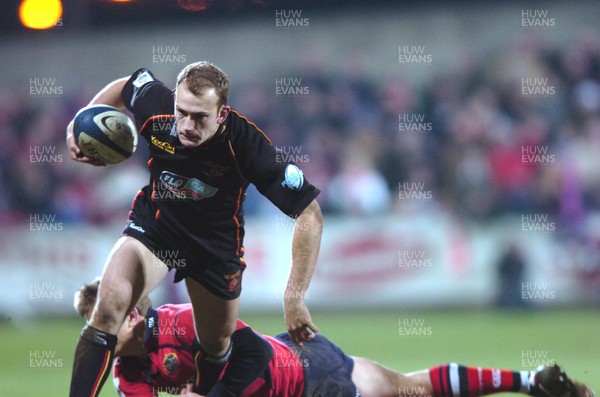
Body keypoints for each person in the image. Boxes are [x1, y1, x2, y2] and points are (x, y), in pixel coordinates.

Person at [66, 62, 323, 397]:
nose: (187, 125)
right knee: (110, 300)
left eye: (200, 117)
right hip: (156, 228)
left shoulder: (245, 143)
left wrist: (294, 297)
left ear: (222, 113)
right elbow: (125, 84)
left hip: (213, 248)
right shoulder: (157, 107)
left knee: (216, 345)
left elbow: (310, 213)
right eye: (181, 112)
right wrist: (78, 124)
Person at [74, 279, 595, 397]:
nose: (98, 333)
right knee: (407, 387)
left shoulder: (182, 322)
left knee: (406, 389)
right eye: (94, 326)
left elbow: (249, 349)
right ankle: (529, 380)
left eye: (106, 319)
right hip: (297, 360)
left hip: (305, 376)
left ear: (136, 316)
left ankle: (529, 381)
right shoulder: (127, 374)